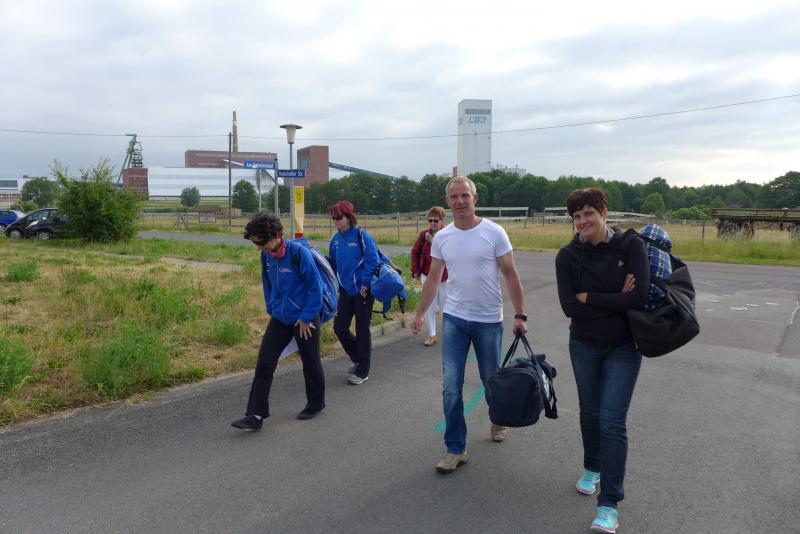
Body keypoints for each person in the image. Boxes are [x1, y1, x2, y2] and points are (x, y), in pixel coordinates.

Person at [411, 176, 528, 474]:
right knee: (451, 387)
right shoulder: (443, 237)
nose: (460, 201)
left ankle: (498, 418)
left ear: (475, 199)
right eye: (454, 196)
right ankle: (455, 448)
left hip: (488, 320)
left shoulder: (494, 232)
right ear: (448, 201)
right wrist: (420, 312)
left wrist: (520, 315)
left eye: (465, 195)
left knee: (491, 380)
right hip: (454, 319)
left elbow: (511, 273)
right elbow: (434, 278)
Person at [554, 188, 649, 534]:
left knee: (612, 422)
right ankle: (592, 467)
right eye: (577, 216)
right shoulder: (567, 256)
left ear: (604, 213)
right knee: (590, 413)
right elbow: (570, 307)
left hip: (624, 347)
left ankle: (609, 504)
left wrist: (590, 297)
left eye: (589, 213)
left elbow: (639, 297)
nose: (582, 221)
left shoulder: (630, 246)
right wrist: (616, 298)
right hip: (584, 345)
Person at [231, 212, 326, 431]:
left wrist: (306, 317)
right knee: (264, 363)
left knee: (310, 363)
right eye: (256, 243)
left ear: (277, 235)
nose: (259, 248)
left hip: (304, 319)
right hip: (280, 318)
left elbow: (316, 288)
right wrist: (271, 307)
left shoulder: (299, 254)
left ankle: (316, 403)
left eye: (262, 243)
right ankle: (255, 415)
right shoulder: (266, 256)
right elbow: (267, 284)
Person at [328, 200, 380, 385]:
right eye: (333, 218)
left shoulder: (361, 236)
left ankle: (363, 371)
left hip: (363, 291)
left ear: (349, 217)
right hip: (345, 291)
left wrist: (365, 285)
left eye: (339, 217)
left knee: (362, 329)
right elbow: (333, 263)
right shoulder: (335, 239)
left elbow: (373, 261)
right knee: (339, 327)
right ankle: (359, 359)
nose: (335, 221)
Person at [410, 206, 449, 347]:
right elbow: (415, 252)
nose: (432, 223)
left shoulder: (447, 234)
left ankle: (449, 334)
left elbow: (448, 253)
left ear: (442, 220)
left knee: (446, 307)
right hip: (427, 274)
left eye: (436, 220)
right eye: (430, 220)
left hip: (445, 277)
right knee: (429, 306)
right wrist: (415, 270)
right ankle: (432, 335)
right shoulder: (423, 234)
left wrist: (432, 240)